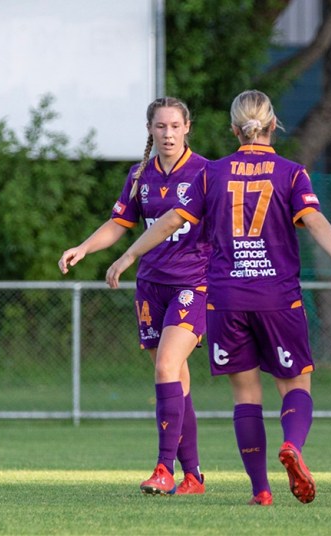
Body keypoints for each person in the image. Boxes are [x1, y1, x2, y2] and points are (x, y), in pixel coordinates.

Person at [106, 89, 331, 505]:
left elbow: (171, 220)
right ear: (272, 125)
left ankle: (260, 491)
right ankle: (293, 447)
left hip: (226, 300)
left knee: (246, 395)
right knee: (295, 384)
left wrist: (128, 254)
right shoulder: (290, 172)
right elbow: (316, 221)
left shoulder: (210, 173)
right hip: (277, 296)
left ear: (233, 129)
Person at [58, 97, 209, 496]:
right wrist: (84, 248)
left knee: (165, 368)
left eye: (175, 126)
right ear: (150, 130)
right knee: (175, 378)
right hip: (151, 287)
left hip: (193, 284)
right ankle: (193, 474)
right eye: (161, 126)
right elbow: (120, 222)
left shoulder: (205, 173)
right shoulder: (140, 174)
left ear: (187, 127)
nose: (169, 133)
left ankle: (163, 468)